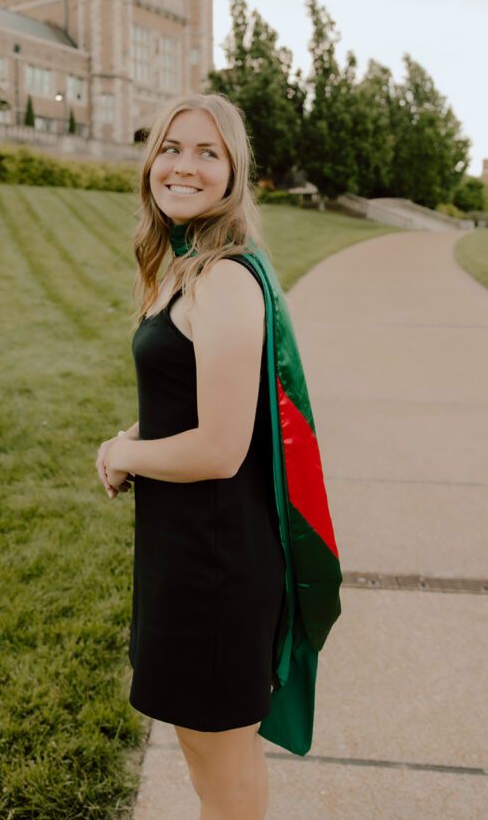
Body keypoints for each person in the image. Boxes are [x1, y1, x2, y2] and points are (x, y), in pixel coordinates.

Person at [94, 92, 321, 820]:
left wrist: (124, 451)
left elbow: (221, 449)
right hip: (190, 551)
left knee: (219, 765)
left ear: (233, 173)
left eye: (206, 152)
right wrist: (142, 430)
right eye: (170, 148)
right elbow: (198, 401)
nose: (182, 166)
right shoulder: (188, 266)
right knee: (219, 760)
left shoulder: (221, 276)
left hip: (213, 565)